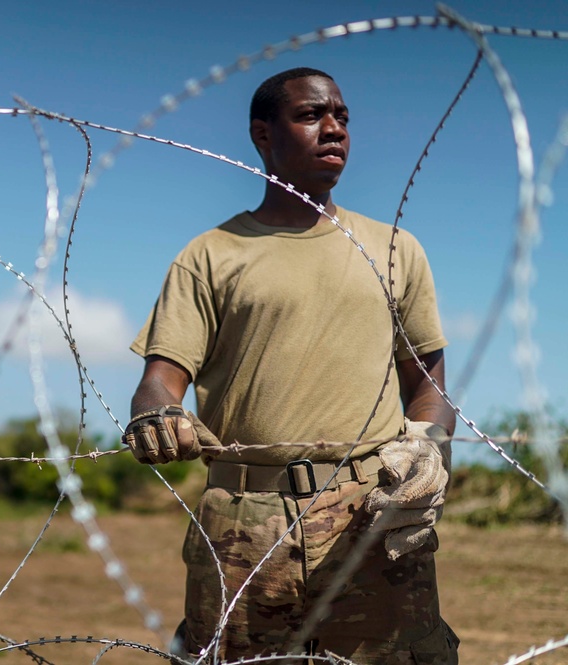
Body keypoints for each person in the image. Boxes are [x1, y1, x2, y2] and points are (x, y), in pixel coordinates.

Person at [123, 67, 459, 663]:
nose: (334, 129)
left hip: (370, 518)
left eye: (343, 117)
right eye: (311, 116)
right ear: (262, 134)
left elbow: (428, 385)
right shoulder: (211, 255)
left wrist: (427, 448)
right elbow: (160, 380)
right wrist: (155, 415)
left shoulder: (393, 250)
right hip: (243, 527)